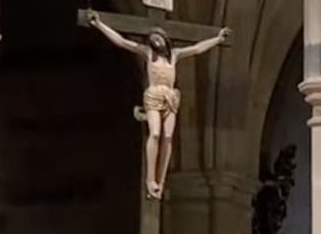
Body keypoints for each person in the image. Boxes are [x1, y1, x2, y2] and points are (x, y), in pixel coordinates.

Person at [86, 11, 230, 199]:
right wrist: (99, 24)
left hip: (170, 98)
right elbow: (121, 41)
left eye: (158, 39)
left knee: (168, 137)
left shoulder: (174, 56)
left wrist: (217, 39)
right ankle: (150, 179)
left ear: (165, 40)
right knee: (155, 133)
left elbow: (196, 49)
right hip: (153, 96)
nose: (156, 42)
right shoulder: (148, 53)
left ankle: (160, 181)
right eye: (153, 40)